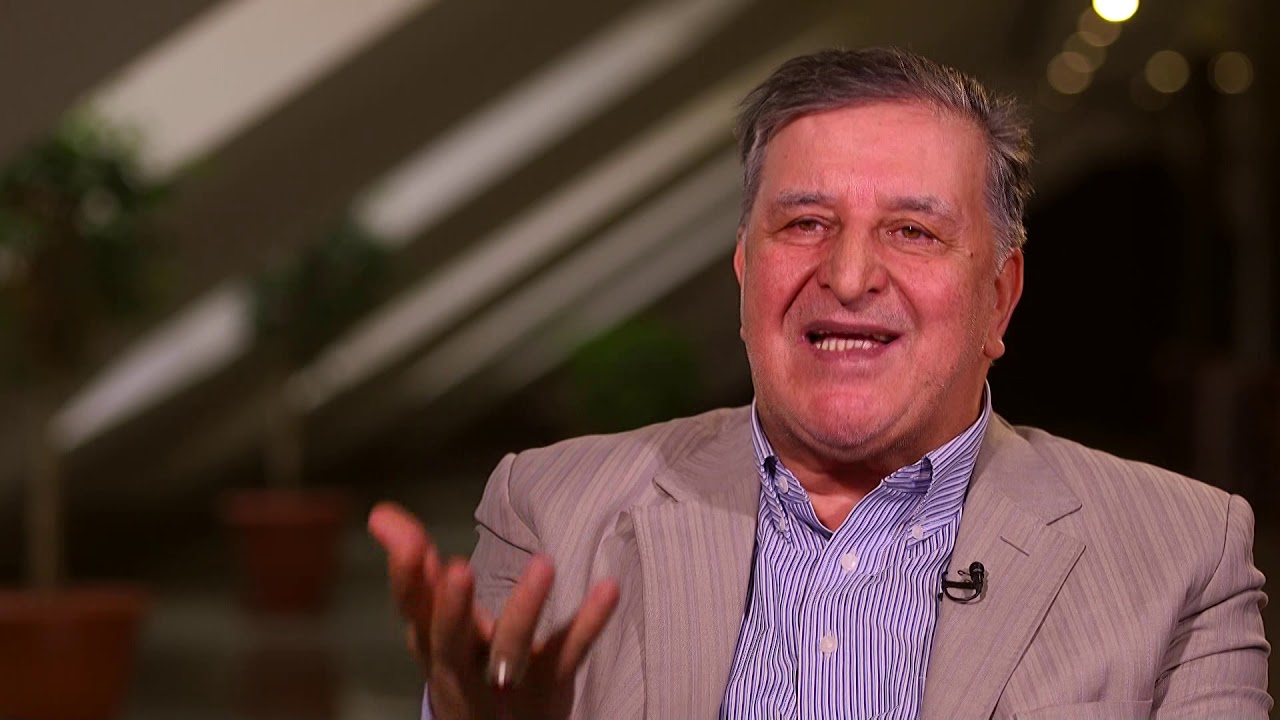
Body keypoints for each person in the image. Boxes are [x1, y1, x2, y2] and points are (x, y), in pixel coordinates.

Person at [369, 47, 1270, 719]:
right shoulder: (552, 512)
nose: (847, 276)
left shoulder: (1184, 555)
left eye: (913, 232)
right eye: (805, 223)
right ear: (745, 273)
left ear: (999, 297)